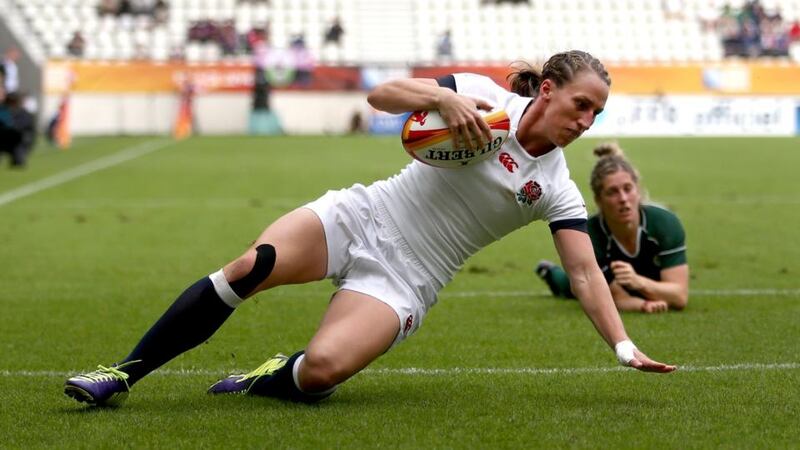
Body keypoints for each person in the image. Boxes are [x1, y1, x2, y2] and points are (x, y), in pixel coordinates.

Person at [64, 50, 675, 408]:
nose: (587, 120)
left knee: (323, 371)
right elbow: (383, 97)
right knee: (257, 264)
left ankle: (270, 375)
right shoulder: (482, 96)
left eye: (596, 113)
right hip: (365, 214)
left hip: (410, 276)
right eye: (581, 105)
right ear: (548, 89)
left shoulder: (558, 187)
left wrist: (623, 347)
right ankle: (120, 374)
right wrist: (442, 102)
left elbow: (583, 273)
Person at [535, 142, 689, 314]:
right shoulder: (589, 235)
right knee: (573, 286)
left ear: (638, 191)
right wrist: (643, 305)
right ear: (599, 200)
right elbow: (615, 298)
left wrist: (639, 282)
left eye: (628, 189)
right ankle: (549, 272)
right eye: (612, 192)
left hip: (647, 279)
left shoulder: (665, 223)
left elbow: (680, 297)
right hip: (612, 285)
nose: (623, 198)